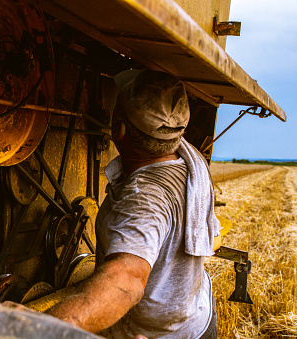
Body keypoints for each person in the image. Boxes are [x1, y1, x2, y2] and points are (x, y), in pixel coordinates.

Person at [45, 69, 220, 338]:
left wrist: (37, 329)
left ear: (120, 129)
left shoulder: (144, 196)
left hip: (160, 334)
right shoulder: (190, 158)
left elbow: (127, 280)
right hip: (198, 319)